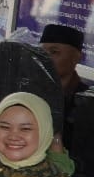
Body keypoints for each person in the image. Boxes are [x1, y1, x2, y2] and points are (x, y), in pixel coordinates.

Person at [38, 23, 88, 151]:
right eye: (42, 52)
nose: (45, 58)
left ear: (76, 58)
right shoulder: (30, 91)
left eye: (54, 52)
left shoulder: (86, 101)